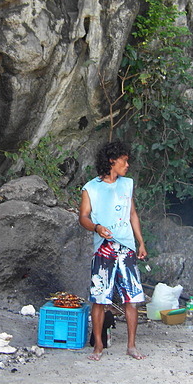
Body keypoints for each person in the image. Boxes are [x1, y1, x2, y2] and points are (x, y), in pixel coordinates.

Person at [78, 140, 147, 361]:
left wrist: (140, 242)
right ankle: (98, 346)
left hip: (126, 247)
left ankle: (132, 346)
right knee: (99, 298)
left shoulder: (127, 185)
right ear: (112, 161)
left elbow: (132, 214)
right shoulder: (91, 188)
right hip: (104, 248)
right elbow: (83, 217)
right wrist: (97, 228)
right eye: (124, 161)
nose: (127, 165)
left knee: (132, 298)